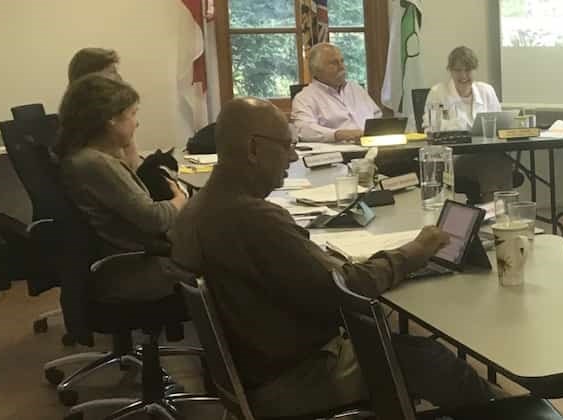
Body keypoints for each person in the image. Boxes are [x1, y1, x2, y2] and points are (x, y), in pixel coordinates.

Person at [170, 96, 501, 417]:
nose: (293, 156)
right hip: (292, 379)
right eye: (286, 145)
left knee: (410, 349)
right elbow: (348, 288)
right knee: (429, 359)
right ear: (254, 149)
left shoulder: (198, 207)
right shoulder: (254, 219)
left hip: (252, 369)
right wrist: (414, 252)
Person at [56, 74, 187, 301]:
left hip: (130, 260)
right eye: (132, 114)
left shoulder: (85, 158)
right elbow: (154, 219)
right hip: (137, 271)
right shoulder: (96, 165)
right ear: (110, 120)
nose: (136, 123)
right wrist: (180, 199)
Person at [425, 46, 513, 202]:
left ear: (475, 70)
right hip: (454, 161)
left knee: (499, 162)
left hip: (488, 155)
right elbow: (430, 130)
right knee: (495, 164)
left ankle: (494, 210)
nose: (463, 75)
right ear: (450, 71)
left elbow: (501, 127)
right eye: (458, 70)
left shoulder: (487, 91)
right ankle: (498, 215)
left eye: (468, 70)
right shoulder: (438, 93)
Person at [66, 47, 141, 170]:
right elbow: (132, 166)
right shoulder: (96, 128)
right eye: (112, 72)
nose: (119, 78)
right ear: (91, 79)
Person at [291, 43, 381, 143]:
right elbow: (304, 130)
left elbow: (377, 116)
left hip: (373, 146)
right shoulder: (304, 98)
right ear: (316, 70)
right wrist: (339, 134)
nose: (341, 66)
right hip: (338, 153)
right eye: (334, 63)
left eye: (342, 61)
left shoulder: (356, 89)